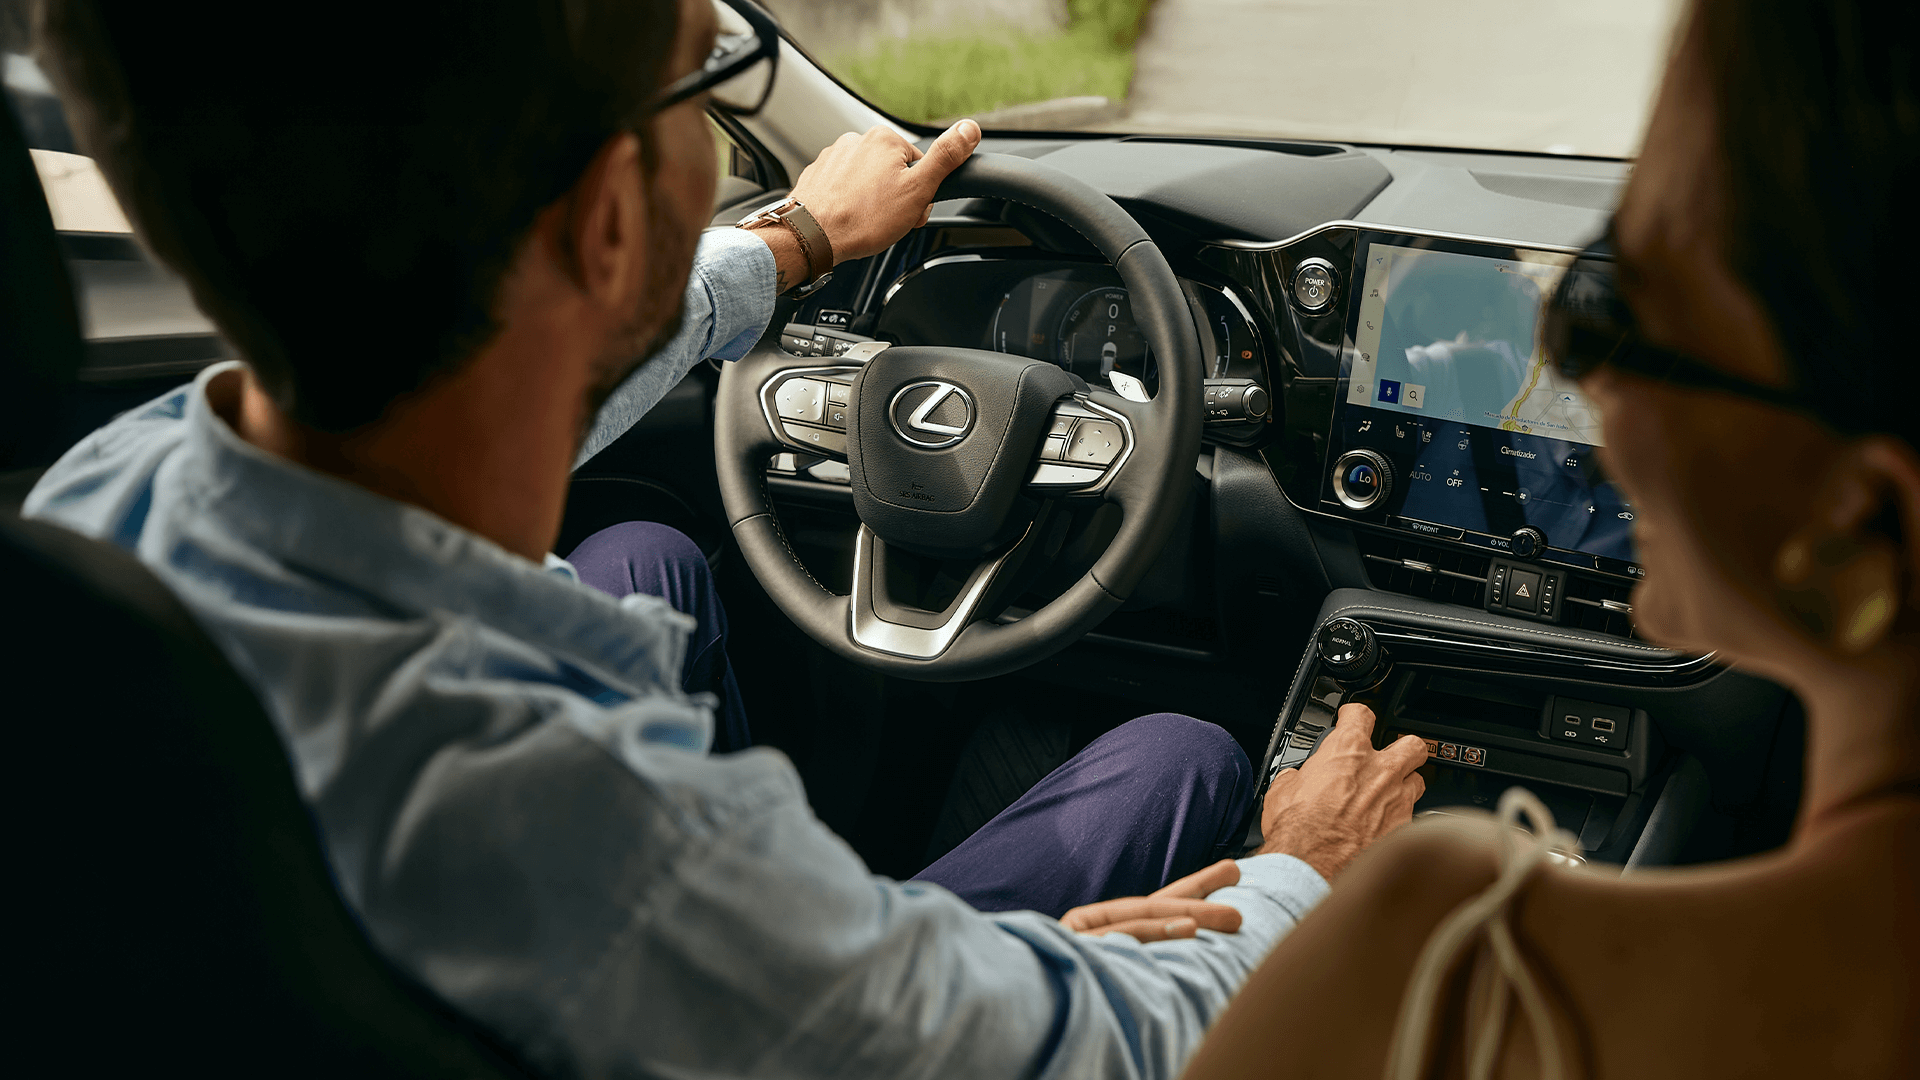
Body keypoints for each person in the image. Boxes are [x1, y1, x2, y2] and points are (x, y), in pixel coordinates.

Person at [19, 1, 1428, 1077]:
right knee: (1180, 757)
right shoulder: (596, 836)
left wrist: (797, 242)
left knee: (653, 557)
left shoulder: (101, 503)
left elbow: (518, 350)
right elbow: (1080, 1052)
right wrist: (1311, 880)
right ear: (615, 220)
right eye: (702, 87)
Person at [1184, 0, 1920, 1076]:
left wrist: (1252, 910)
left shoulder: (1443, 958)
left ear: (1869, 521)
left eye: (1606, 313)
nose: (1579, 384)